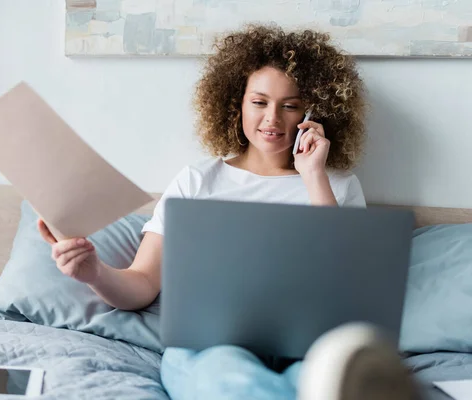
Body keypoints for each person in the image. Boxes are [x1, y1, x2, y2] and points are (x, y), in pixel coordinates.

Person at [38, 24, 419, 400]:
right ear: (235, 102)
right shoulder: (197, 180)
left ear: (312, 113)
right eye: (259, 102)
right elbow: (142, 284)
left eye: (291, 106)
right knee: (224, 378)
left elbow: (347, 278)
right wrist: (94, 273)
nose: (273, 118)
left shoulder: (336, 185)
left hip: (307, 347)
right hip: (210, 347)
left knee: (331, 376)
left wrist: (313, 175)